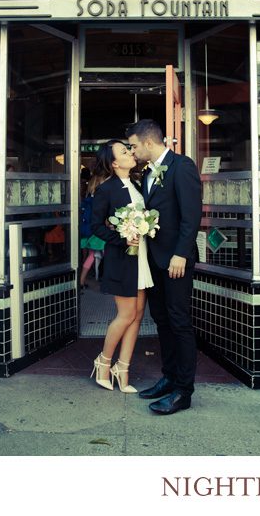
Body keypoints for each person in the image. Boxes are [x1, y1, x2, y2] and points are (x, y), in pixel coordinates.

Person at [126, 119, 202, 415]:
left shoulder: (181, 166)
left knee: (179, 322)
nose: (131, 152)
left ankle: (184, 391)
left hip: (175, 261)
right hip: (155, 259)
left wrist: (181, 254)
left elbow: (191, 215)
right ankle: (169, 377)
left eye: (133, 146)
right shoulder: (146, 173)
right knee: (162, 320)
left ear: (148, 142)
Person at [88, 139, 153, 393]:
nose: (130, 153)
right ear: (114, 163)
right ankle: (103, 361)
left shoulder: (138, 184)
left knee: (137, 315)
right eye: (124, 152)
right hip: (122, 259)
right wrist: (121, 238)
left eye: (129, 149)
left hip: (142, 256)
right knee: (125, 315)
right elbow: (95, 226)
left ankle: (122, 368)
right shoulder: (106, 189)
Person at [79, 165, 106, 289]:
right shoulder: (100, 201)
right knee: (108, 256)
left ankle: (81, 280)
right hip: (99, 234)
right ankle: (106, 283)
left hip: (89, 234)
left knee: (91, 256)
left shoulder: (88, 200)